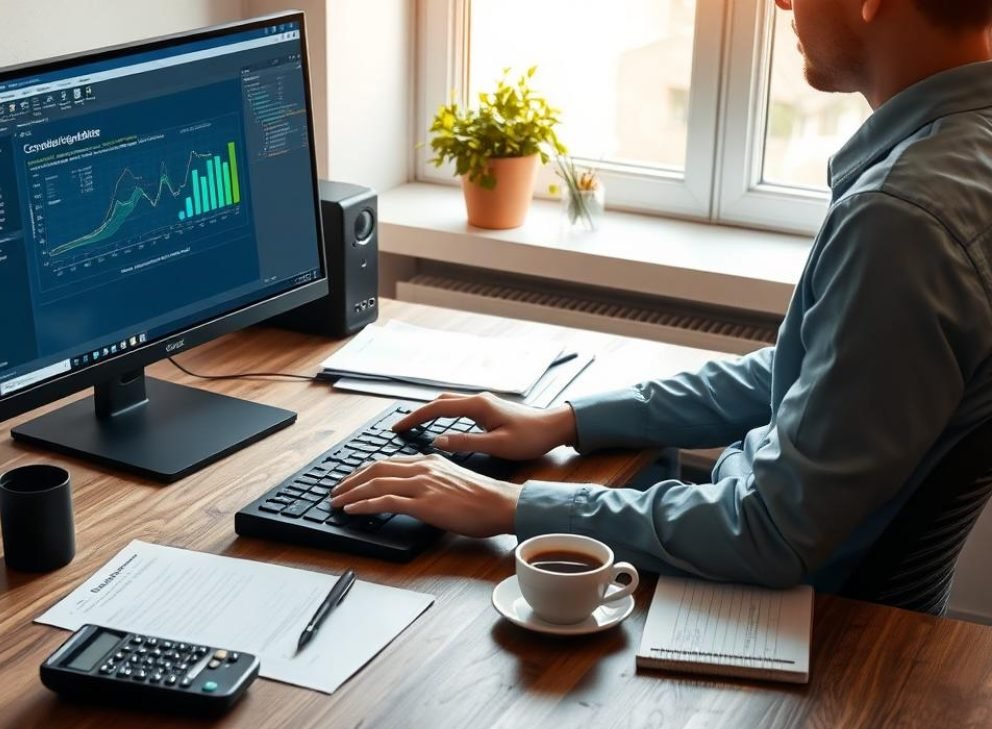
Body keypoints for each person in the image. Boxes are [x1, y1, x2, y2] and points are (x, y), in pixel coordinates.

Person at [331, 0, 992, 590]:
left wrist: (510, 507)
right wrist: (568, 421)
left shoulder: (904, 221)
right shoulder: (959, 163)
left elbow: (771, 532)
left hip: (808, 618)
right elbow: (815, 371)